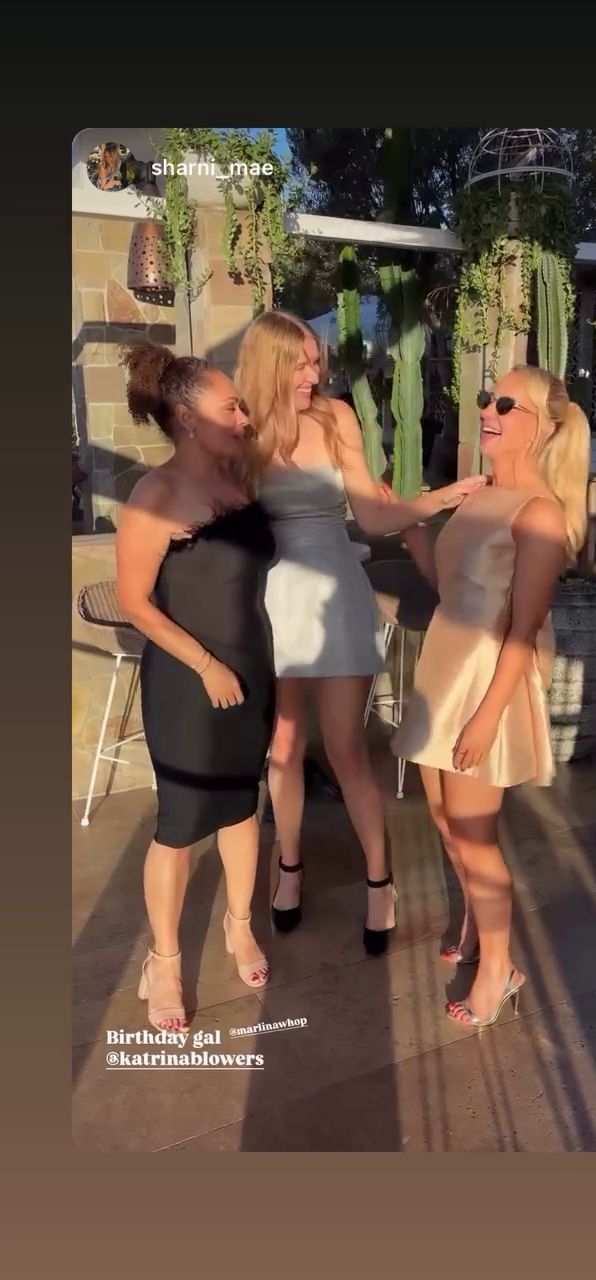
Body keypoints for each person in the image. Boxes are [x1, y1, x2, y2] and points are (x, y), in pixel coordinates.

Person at [235, 310, 486, 954]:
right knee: (284, 745)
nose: (313, 375)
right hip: (274, 598)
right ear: (268, 365)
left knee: (347, 748)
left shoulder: (336, 417)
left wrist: (437, 500)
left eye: (316, 362)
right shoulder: (241, 428)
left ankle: (381, 879)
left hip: (338, 596)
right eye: (300, 364)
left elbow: (372, 516)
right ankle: (289, 865)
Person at [392, 365, 590, 1027]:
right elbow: (452, 589)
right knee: (444, 822)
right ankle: (477, 925)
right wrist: (414, 532)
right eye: (486, 398)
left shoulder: (539, 514)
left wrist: (485, 718)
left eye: (507, 404)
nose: (488, 410)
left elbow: (522, 630)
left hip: (485, 684)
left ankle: (500, 968)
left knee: (476, 839)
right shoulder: (478, 494)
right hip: (442, 671)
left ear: (543, 427)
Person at [115, 343, 276, 1033]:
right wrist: (207, 664)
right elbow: (134, 602)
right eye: (230, 408)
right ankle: (164, 962)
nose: (243, 418)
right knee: (180, 824)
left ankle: (239, 926)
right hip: (189, 679)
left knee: (241, 805)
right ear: (186, 418)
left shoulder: (239, 480)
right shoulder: (155, 494)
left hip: (253, 667)